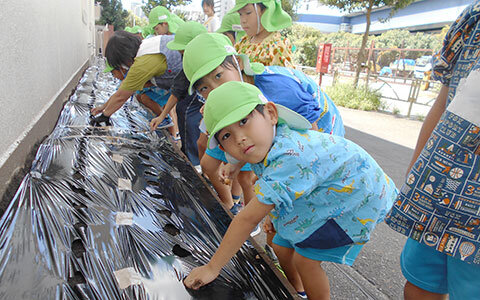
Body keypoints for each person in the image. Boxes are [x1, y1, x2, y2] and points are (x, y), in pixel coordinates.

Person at [183, 81, 397, 299]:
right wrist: (235, 164)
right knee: (280, 245)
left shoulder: (290, 157)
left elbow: (247, 219)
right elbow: (275, 179)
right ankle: (298, 291)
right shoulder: (271, 140)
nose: (239, 138)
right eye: (226, 135)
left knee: (305, 259)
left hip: (358, 195)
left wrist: (212, 267)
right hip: (329, 189)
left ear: (270, 113)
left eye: (244, 121)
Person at [182, 33, 344, 220]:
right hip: (283, 132)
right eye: (204, 88)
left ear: (238, 63)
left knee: (300, 194)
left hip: (319, 132)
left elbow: (311, 141)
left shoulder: (277, 87)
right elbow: (243, 136)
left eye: (219, 75)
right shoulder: (228, 99)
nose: (216, 89)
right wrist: (236, 162)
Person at [385, 2, 480, 300]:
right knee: (419, 283)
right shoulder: (473, 17)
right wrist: (415, 176)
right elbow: (442, 103)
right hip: (436, 192)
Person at [90, 31, 182, 137]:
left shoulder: (143, 62)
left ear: (123, 57)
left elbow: (121, 96)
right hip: (185, 80)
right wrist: (103, 108)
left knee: (188, 121)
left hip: (191, 80)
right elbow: (121, 92)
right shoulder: (147, 46)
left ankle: (181, 145)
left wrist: (105, 115)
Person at [150, 21, 207, 167]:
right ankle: (192, 156)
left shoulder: (209, 65)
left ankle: (195, 162)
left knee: (189, 115)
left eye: (183, 50)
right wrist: (162, 116)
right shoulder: (189, 61)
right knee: (183, 110)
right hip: (204, 106)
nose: (181, 54)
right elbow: (178, 88)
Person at [231, 0, 294, 68]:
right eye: (240, 14)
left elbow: (283, 77)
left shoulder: (277, 46)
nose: (243, 20)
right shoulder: (243, 42)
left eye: (248, 13)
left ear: (266, 11)